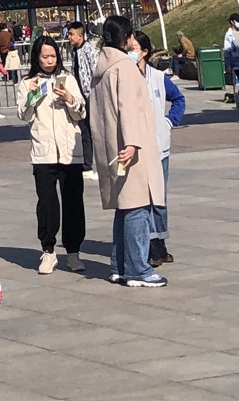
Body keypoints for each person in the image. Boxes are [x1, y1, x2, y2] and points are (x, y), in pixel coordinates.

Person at [88, 17, 164, 287]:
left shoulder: (101, 68)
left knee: (124, 207)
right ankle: (137, 270)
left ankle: (119, 265)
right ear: (127, 38)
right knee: (137, 207)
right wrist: (132, 142)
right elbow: (128, 108)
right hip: (131, 148)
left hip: (111, 146)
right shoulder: (125, 68)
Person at [18, 35, 86, 274]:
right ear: (36, 57)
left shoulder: (68, 78)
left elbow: (80, 113)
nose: (49, 60)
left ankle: (74, 252)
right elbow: (24, 115)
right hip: (43, 153)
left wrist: (69, 99)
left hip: (69, 153)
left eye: (53, 56)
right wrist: (32, 98)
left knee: (73, 202)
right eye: (45, 56)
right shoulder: (28, 82)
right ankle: (48, 251)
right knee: (47, 204)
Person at [138, 39, 186, 268]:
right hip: (136, 147)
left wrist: (169, 121)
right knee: (142, 198)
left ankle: (160, 242)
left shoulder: (158, 77)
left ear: (145, 52)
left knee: (159, 197)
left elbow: (179, 99)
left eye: (133, 49)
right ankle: (150, 242)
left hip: (158, 146)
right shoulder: (124, 77)